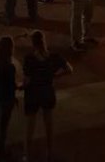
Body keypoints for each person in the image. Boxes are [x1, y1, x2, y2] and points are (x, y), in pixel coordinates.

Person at [21, 30, 72, 162]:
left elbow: (27, 80)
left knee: (29, 126)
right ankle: (49, 152)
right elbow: (69, 69)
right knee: (48, 124)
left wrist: (21, 86)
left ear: (33, 44)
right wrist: (56, 75)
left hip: (33, 94)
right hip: (47, 92)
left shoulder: (29, 59)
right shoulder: (54, 57)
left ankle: (27, 155)